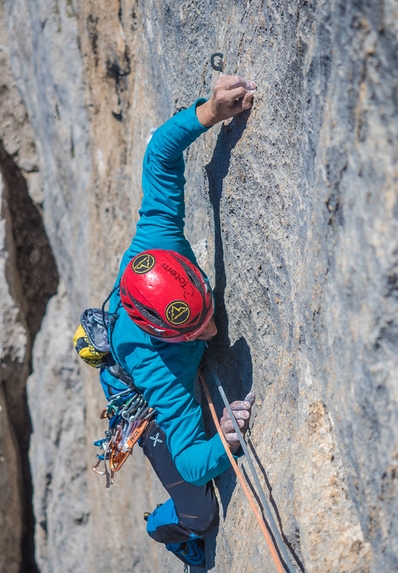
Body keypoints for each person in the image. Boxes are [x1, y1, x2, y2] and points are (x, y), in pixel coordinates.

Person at [99, 75, 257, 568]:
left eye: (206, 312)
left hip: (141, 320)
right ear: (166, 335)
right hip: (137, 392)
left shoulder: (158, 246)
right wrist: (226, 435)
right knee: (200, 512)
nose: (213, 331)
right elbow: (191, 460)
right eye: (196, 330)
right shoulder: (156, 367)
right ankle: (162, 528)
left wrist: (210, 110)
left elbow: (160, 156)